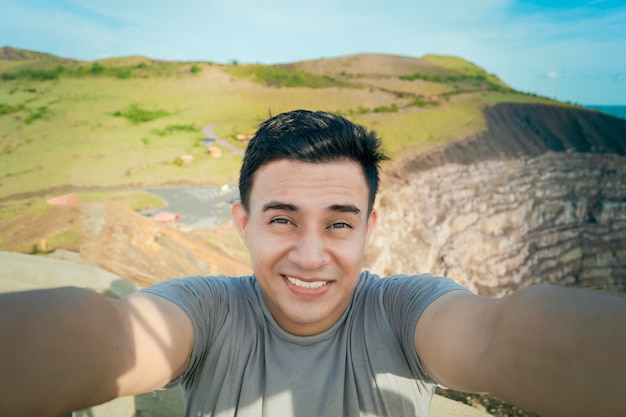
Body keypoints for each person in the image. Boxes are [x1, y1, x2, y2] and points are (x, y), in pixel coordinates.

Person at [1, 109, 625, 417]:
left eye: (339, 223)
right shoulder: (209, 310)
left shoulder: (403, 310)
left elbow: (500, 336)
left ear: (369, 230)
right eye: (281, 219)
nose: (309, 253)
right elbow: (112, 336)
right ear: (242, 224)